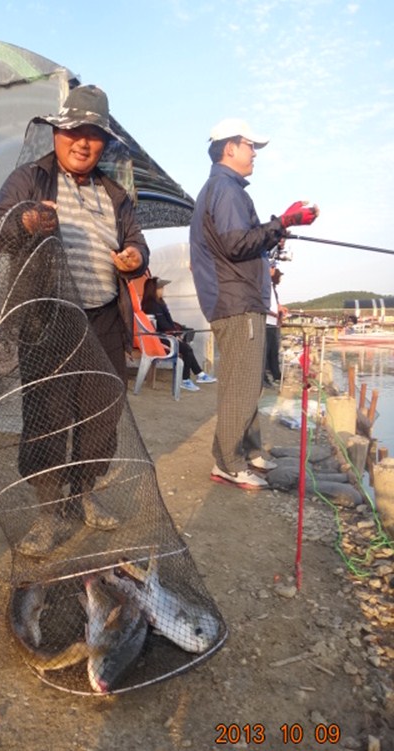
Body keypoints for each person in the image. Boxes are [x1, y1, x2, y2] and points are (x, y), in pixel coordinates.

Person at [0, 84, 149, 554]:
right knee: (47, 417)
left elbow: (137, 241)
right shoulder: (29, 179)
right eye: (73, 130)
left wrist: (135, 255)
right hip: (46, 318)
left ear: (104, 143)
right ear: (56, 132)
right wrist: (27, 222)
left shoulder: (115, 194)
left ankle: (84, 493)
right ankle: (48, 512)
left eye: (93, 135)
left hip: (103, 318)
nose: (82, 142)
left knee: (102, 414)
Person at [189, 118, 319, 490]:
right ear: (230, 147)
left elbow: (239, 243)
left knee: (244, 383)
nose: (255, 154)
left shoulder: (222, 188)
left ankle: (249, 451)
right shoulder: (225, 188)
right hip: (237, 302)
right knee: (241, 387)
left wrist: (278, 229)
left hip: (238, 301)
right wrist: (283, 222)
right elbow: (237, 244)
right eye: (250, 146)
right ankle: (228, 463)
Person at [140, 276, 216, 392]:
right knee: (186, 349)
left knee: (187, 347)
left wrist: (176, 333)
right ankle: (186, 380)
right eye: (160, 288)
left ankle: (199, 374)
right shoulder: (151, 305)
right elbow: (162, 325)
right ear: (153, 289)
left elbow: (166, 323)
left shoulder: (158, 302)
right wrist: (175, 335)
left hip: (165, 335)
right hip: (159, 338)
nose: (163, 290)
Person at [265, 264, 287, 386]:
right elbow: (261, 305)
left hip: (273, 324)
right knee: (265, 352)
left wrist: (281, 308)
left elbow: (275, 304)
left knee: (274, 351)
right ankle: (263, 378)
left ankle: (276, 375)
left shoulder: (272, 288)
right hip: (266, 323)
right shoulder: (263, 285)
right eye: (271, 267)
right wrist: (275, 315)